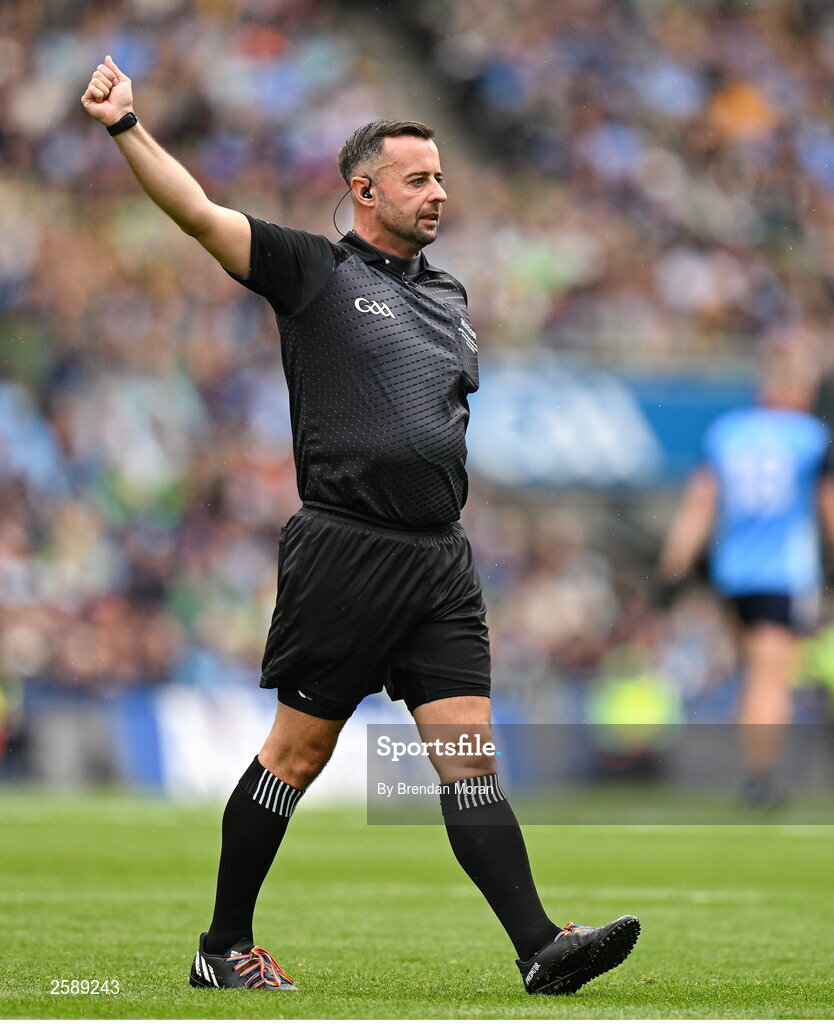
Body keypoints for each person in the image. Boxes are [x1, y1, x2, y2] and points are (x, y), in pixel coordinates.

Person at [81, 55, 640, 995]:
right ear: (364, 189)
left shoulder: (453, 299)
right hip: (347, 549)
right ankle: (222, 949)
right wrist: (127, 128)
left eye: (442, 177)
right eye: (419, 179)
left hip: (440, 562)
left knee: (469, 757)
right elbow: (199, 214)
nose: (439, 193)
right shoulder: (313, 270)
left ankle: (540, 947)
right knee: (297, 754)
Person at [660, 342, 834, 808]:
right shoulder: (810, 437)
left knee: (754, 672)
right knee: (770, 677)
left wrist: (673, 565)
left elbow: (699, 506)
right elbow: (828, 507)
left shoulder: (727, 432)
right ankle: (761, 777)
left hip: (732, 575)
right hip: (784, 573)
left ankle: (756, 770)